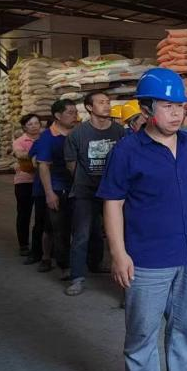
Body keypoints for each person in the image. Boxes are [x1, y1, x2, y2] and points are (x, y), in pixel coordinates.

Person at [98, 67, 187, 371]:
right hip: (148, 259)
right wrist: (119, 253)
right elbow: (113, 203)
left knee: (184, 325)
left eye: (180, 106)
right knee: (142, 332)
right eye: (167, 106)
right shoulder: (127, 151)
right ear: (147, 108)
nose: (176, 113)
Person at [63, 91, 125, 296]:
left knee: (117, 234)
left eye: (108, 102)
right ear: (89, 107)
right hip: (85, 192)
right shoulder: (77, 134)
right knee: (82, 235)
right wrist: (87, 180)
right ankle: (77, 278)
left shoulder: (119, 132)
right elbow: (71, 164)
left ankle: (102, 267)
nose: (106, 105)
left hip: (114, 193)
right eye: (101, 102)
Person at [32, 99, 78, 275]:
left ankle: (75, 261)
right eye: (70, 113)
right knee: (56, 228)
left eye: (75, 112)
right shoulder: (48, 137)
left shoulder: (78, 133)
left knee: (71, 227)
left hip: (75, 186)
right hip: (55, 187)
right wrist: (50, 193)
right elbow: (43, 166)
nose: (75, 116)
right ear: (58, 116)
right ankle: (61, 265)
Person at [13, 113, 44, 260]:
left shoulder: (44, 138)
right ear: (24, 127)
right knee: (24, 213)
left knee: (41, 215)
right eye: (30, 124)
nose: (34, 126)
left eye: (36, 123)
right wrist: (38, 153)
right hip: (24, 181)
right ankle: (23, 244)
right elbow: (20, 154)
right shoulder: (19, 141)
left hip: (42, 181)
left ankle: (40, 246)